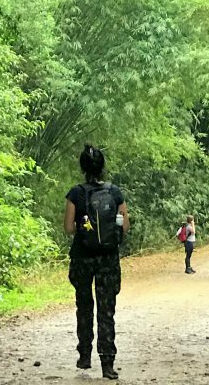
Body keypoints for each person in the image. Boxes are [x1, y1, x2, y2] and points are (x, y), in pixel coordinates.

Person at [64, 144, 130, 380]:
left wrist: (86, 230)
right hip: (108, 260)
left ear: (83, 167)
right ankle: (108, 363)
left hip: (82, 258)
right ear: (103, 167)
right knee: (106, 310)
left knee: (84, 305)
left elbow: (69, 228)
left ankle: (84, 354)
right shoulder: (115, 192)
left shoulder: (76, 193)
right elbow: (125, 226)